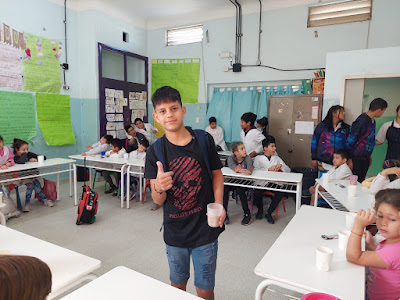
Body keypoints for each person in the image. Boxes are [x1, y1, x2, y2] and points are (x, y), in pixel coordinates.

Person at [144, 86, 225, 300]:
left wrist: (219, 204)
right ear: (156, 117)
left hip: (205, 231)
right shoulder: (156, 152)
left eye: (174, 108)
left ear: (183, 110)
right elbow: (157, 200)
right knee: (177, 286)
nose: (169, 114)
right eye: (162, 111)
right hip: (175, 233)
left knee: (205, 289)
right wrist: (159, 186)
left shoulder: (204, 140)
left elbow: (217, 174)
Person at [346, 189, 400, 300]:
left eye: (392, 219)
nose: (383, 223)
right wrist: (371, 247)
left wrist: (358, 226)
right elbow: (388, 260)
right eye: (380, 216)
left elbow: (354, 256)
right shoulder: (392, 240)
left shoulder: (395, 250)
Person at [346, 98, 388, 182]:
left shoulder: (373, 122)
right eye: (383, 111)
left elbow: (368, 141)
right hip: (356, 158)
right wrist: (349, 159)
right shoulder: (362, 120)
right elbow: (350, 140)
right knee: (354, 181)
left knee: (361, 180)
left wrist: (369, 156)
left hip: (365, 157)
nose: (382, 113)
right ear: (379, 110)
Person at [253, 136, 290, 224]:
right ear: (265, 148)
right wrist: (268, 170)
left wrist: (281, 167)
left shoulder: (277, 159)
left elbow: (288, 169)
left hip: (274, 181)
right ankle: (260, 210)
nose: (275, 148)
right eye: (272, 146)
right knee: (257, 192)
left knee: (280, 192)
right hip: (262, 181)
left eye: (274, 146)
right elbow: (255, 171)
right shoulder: (258, 158)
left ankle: (269, 212)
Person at [13, 139, 53, 212]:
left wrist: (35, 159)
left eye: (27, 149)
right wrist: (25, 156)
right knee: (30, 186)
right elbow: (21, 161)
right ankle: (27, 204)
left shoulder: (30, 154)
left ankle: (45, 200)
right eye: (23, 149)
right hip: (25, 178)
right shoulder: (16, 158)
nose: (26, 151)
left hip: (35, 176)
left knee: (37, 186)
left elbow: (43, 157)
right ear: (17, 150)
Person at [311, 105, 350, 171]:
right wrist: (314, 158)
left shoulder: (346, 128)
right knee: (324, 179)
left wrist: (349, 159)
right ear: (334, 113)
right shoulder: (322, 126)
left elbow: (349, 145)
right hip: (323, 161)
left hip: (340, 163)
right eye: (341, 112)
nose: (344, 113)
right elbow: (314, 142)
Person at [223, 141, 253, 225]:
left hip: (246, 182)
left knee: (240, 189)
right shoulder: (230, 158)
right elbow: (232, 166)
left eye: (244, 148)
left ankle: (247, 214)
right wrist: (236, 169)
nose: (245, 150)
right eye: (242, 149)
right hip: (234, 180)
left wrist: (248, 171)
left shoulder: (247, 158)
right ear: (235, 152)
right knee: (225, 187)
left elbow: (250, 167)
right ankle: (224, 213)